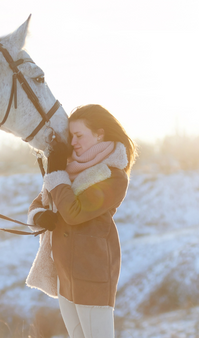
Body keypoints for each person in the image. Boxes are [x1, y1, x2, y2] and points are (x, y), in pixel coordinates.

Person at [26, 104, 137, 338]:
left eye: (79, 135)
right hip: (64, 275)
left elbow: (74, 213)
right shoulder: (68, 168)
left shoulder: (113, 176)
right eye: (71, 136)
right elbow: (40, 202)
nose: (73, 142)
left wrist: (56, 175)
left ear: (100, 133)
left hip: (92, 276)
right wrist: (40, 216)